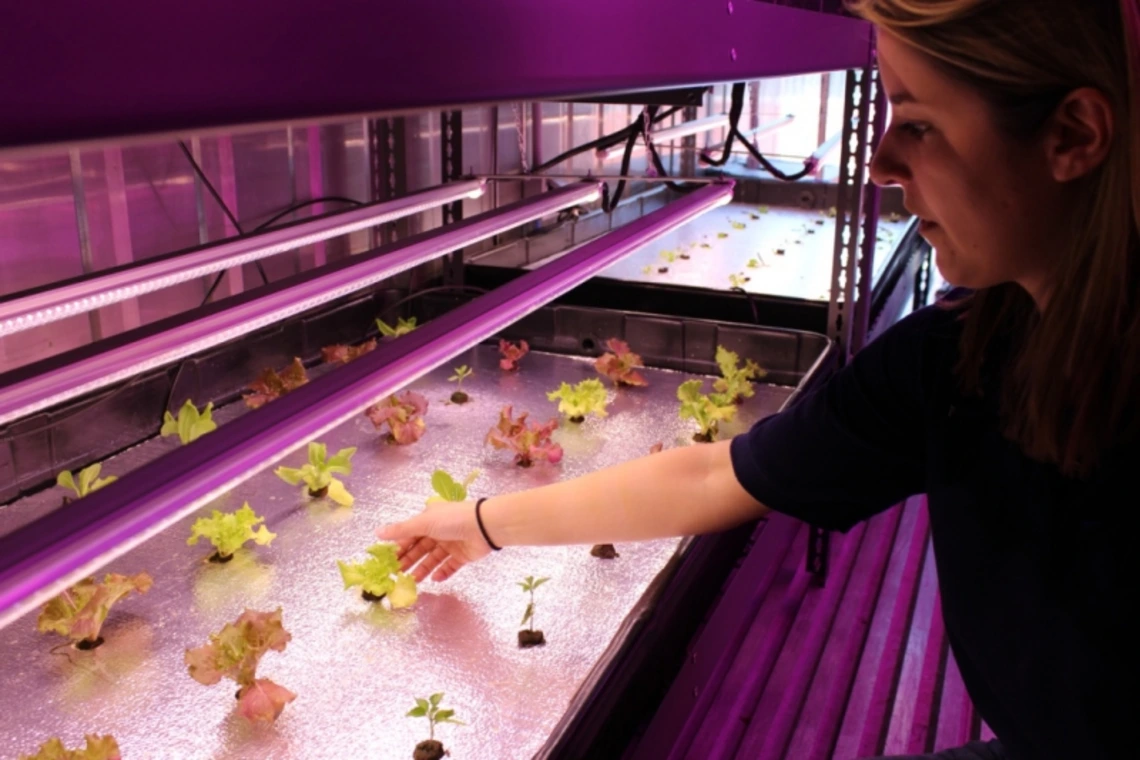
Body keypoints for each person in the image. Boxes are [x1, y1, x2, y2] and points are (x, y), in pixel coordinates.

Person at [378, 1, 1138, 758]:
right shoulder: (962, 356)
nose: (879, 164)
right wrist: (480, 524)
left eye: (919, 123)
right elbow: (718, 474)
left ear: (1072, 135)